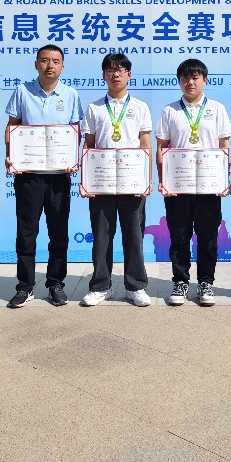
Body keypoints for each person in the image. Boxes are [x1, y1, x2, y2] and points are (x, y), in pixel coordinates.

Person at [4, 44, 83, 308]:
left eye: (56, 61)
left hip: (59, 176)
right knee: (26, 233)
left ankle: (55, 284)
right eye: (45, 60)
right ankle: (25, 286)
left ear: (62, 66)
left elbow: (75, 132)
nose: (50, 65)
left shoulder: (70, 94)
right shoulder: (22, 91)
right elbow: (12, 127)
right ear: (36, 64)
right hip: (29, 175)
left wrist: (73, 159)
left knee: (58, 233)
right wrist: (11, 156)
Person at [155, 59, 231, 306]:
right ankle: (180, 281)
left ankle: (206, 282)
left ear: (204, 80)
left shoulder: (217, 109)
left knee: (208, 237)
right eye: (185, 78)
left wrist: (224, 180)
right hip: (178, 188)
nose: (190, 82)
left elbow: (224, 147)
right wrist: (164, 181)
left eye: (195, 77)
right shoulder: (170, 111)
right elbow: (161, 148)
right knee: (179, 237)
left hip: (209, 188)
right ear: (179, 81)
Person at [79, 53, 152, 307]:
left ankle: (135, 286)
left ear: (129, 75)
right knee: (101, 236)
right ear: (104, 75)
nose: (115, 74)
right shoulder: (94, 108)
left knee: (134, 235)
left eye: (121, 70)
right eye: (110, 70)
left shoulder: (140, 107)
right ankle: (101, 286)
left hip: (132, 183)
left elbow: (145, 145)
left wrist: (146, 180)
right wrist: (86, 181)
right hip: (101, 183)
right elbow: (88, 146)